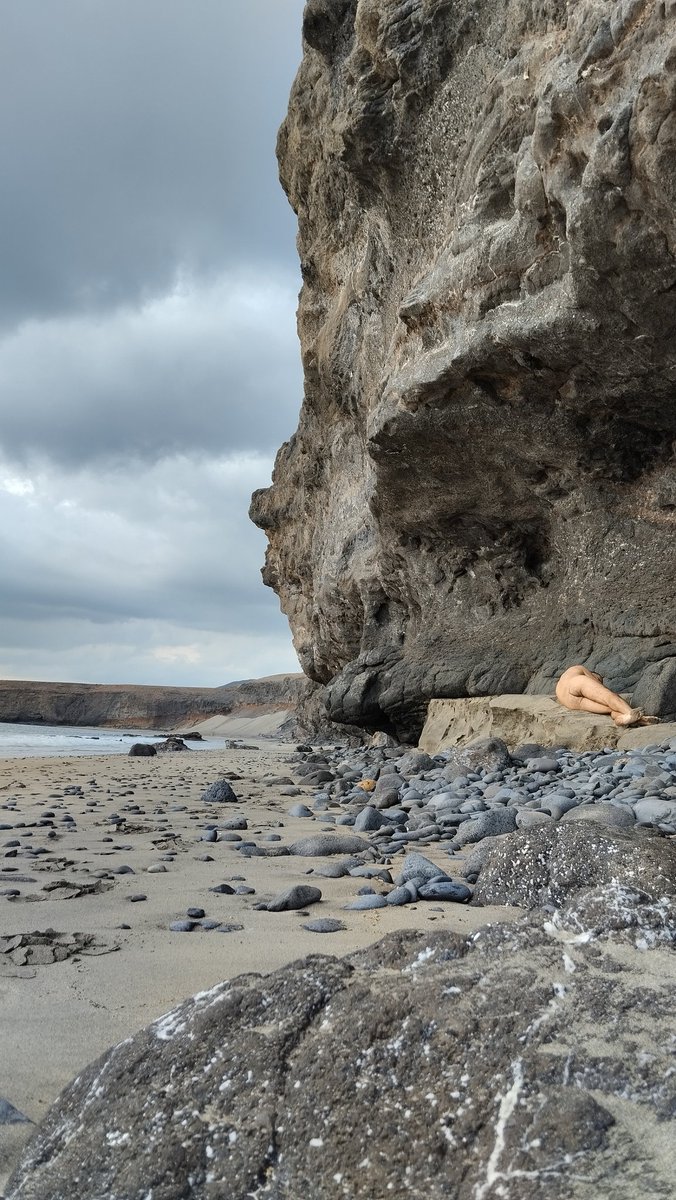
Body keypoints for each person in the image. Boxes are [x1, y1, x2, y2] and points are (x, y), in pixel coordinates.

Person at [555, 664, 659, 727]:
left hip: (571, 702)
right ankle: (632, 714)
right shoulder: (579, 668)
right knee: (609, 696)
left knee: (610, 709)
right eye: (599, 679)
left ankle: (623, 719)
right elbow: (602, 690)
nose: (599, 682)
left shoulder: (561, 683)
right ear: (594, 674)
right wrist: (602, 686)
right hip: (576, 683)